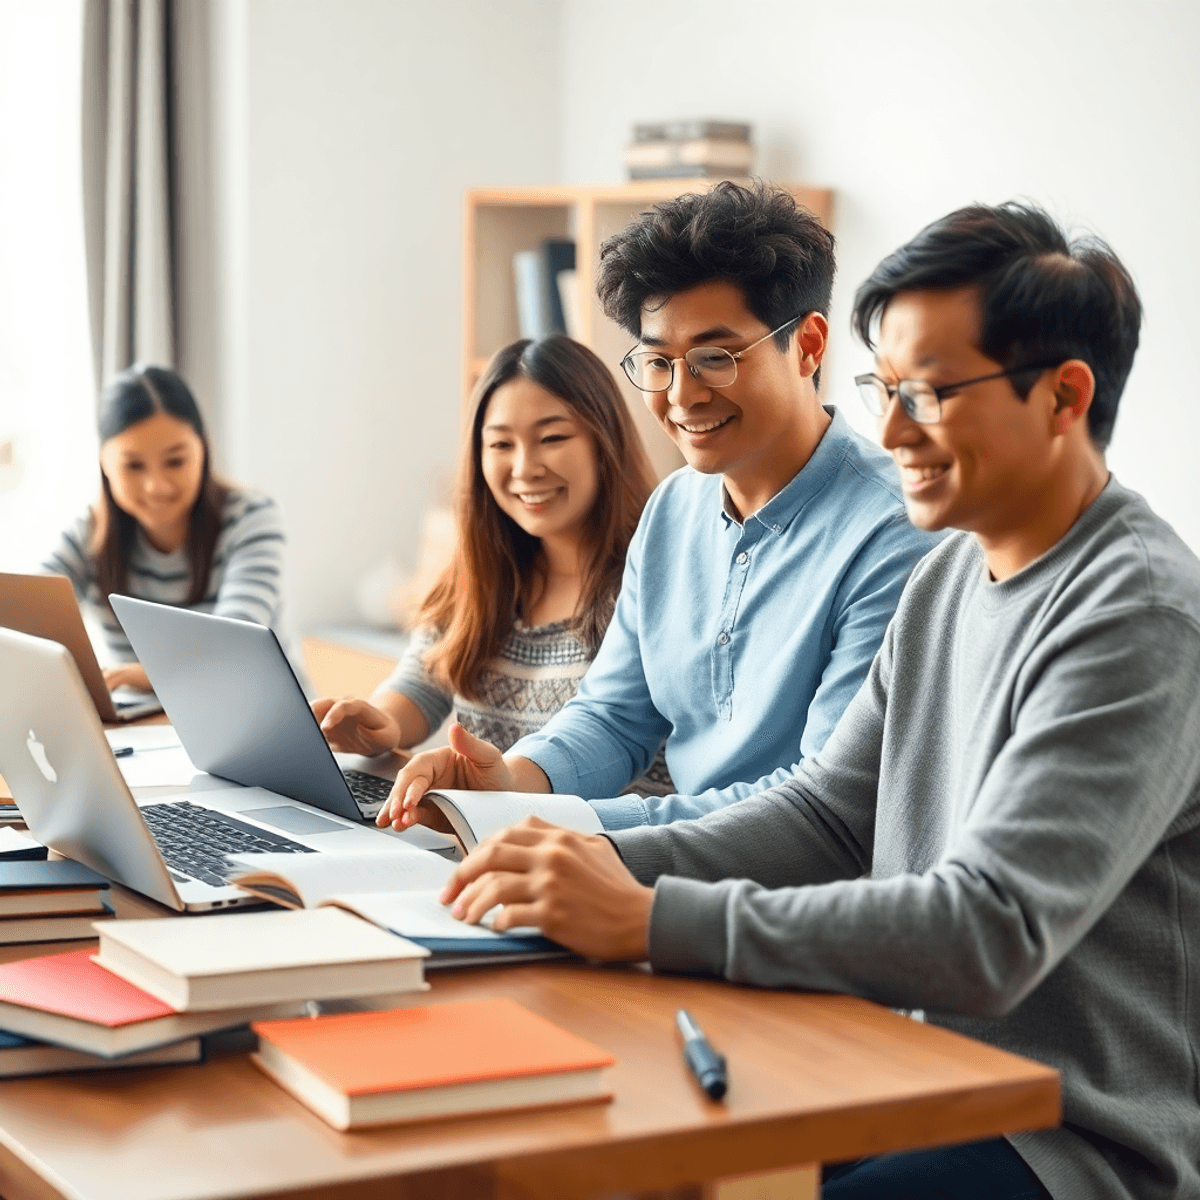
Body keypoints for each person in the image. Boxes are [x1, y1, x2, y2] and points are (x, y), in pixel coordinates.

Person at [432, 203, 1200, 1200]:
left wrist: (648, 918)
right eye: (886, 389)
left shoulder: (1133, 617)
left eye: (927, 394)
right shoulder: (953, 577)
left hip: (1062, 1132)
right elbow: (831, 816)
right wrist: (590, 861)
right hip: (903, 1067)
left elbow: (990, 929)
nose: (888, 431)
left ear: (1063, 396)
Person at [381, 182, 939, 832]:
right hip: (662, 873)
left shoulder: (897, 534)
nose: (681, 396)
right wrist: (506, 783)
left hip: (787, 904)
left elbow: (820, 804)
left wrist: (570, 831)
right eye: (657, 361)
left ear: (809, 346)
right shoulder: (674, 509)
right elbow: (616, 719)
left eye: (714, 358)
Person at [312, 336, 672, 790]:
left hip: (606, 847)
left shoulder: (653, 579)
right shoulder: (482, 573)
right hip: (484, 839)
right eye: (501, 444)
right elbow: (424, 678)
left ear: (605, 442)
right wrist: (379, 720)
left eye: (552, 438)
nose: (525, 467)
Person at [44, 364, 298, 693]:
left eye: (175, 461)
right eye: (133, 465)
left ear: (203, 450)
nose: (155, 486)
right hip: (149, 729)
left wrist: (132, 676)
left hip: (266, 720)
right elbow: (28, 611)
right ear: (104, 462)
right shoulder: (89, 536)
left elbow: (234, 646)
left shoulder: (251, 518)